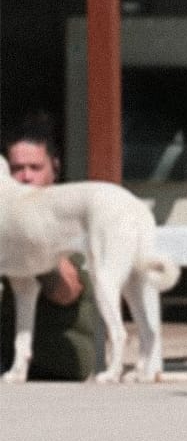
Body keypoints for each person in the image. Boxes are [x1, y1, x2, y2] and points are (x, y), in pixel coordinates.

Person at [0, 124, 101, 380]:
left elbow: (68, 291)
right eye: (17, 169)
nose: (25, 177)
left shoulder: (68, 213)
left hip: (60, 361)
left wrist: (32, 248)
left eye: (35, 168)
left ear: (54, 169)